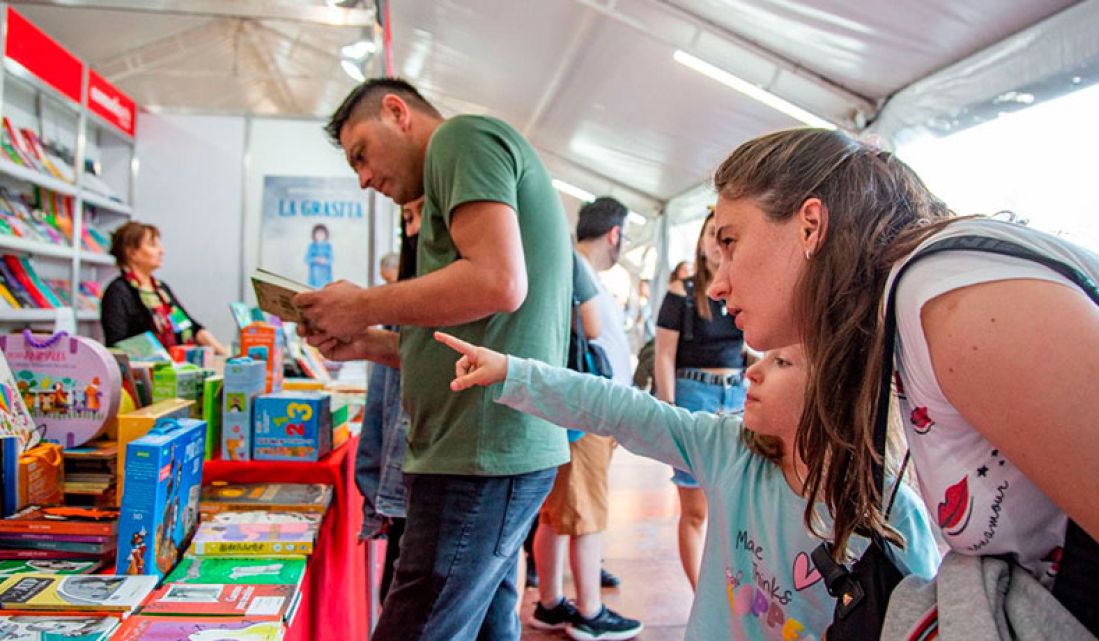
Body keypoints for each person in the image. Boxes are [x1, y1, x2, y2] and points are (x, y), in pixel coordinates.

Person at [706, 128, 1099, 638]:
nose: (718, 284)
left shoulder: (953, 304)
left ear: (810, 225)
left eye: (730, 242)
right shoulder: (910, 315)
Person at [296, 78, 572, 641]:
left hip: (478, 453)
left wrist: (363, 305)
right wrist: (370, 342)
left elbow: (499, 282)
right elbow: (473, 339)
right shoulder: (455, 169)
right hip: (488, 448)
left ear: (397, 112)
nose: (364, 178)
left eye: (361, 155)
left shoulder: (461, 139)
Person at [434, 333, 940, 640]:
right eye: (761, 357)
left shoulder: (891, 516)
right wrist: (513, 374)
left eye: (780, 362)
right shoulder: (729, 449)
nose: (752, 370)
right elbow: (621, 409)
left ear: (838, 390)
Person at [530, 197, 642, 640]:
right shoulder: (578, 270)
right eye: (625, 237)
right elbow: (593, 332)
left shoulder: (571, 268)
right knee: (586, 513)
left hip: (576, 409)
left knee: (559, 514)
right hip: (585, 411)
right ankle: (588, 612)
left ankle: (552, 603)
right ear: (614, 233)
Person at [655, 211, 745, 589]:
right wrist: (669, 411)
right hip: (694, 394)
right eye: (711, 234)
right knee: (695, 510)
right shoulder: (684, 292)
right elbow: (663, 354)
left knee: (735, 508)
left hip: (739, 396)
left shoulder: (743, 288)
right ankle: (700, 597)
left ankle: (732, 598)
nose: (716, 242)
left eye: (724, 236)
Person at [356, 197, 422, 606]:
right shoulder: (405, 302)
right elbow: (384, 404)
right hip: (409, 486)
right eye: (408, 218)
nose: (413, 230)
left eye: (418, 216)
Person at [101, 221, 228, 355]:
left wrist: (223, 353)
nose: (161, 251)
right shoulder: (117, 292)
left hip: (176, 367)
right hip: (144, 371)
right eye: (152, 245)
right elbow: (116, 344)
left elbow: (189, 326)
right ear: (132, 253)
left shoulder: (161, 290)